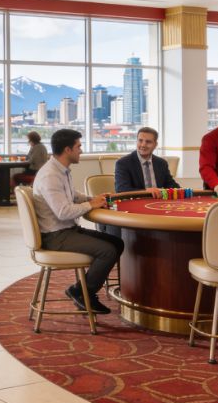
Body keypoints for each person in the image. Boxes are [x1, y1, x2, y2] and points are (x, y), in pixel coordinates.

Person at [31, 129, 124, 315]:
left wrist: (94, 199)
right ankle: (82, 292)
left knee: (117, 242)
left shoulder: (61, 170)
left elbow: (73, 196)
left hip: (66, 230)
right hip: (55, 236)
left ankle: (82, 290)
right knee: (108, 251)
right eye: (78, 146)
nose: (81, 150)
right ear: (67, 150)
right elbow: (63, 212)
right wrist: (91, 204)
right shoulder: (50, 175)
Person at [114, 127, 179, 196]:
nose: (143, 145)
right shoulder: (123, 163)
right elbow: (121, 189)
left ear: (155, 145)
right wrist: (146, 191)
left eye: (148, 142)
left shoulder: (161, 163)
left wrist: (187, 192)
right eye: (140, 140)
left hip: (158, 203)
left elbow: (172, 186)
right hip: (136, 202)